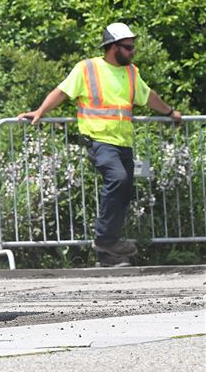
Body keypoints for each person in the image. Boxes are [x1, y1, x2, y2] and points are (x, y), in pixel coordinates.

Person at [18, 23, 182, 266]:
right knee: (118, 179)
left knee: (124, 192)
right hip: (99, 141)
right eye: (128, 48)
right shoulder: (88, 69)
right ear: (113, 47)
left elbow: (148, 97)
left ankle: (107, 255)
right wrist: (41, 111)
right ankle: (105, 239)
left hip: (123, 142)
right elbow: (62, 91)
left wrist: (170, 112)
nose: (132, 51)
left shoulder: (131, 73)